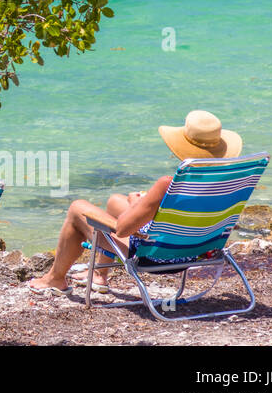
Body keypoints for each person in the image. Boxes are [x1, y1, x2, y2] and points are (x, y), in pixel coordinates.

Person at [27, 110, 244, 296]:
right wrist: (137, 207)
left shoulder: (168, 184)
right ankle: (99, 275)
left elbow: (123, 229)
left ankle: (55, 278)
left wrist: (134, 205)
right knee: (114, 202)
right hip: (196, 251)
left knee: (77, 208)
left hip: (157, 257)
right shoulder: (230, 182)